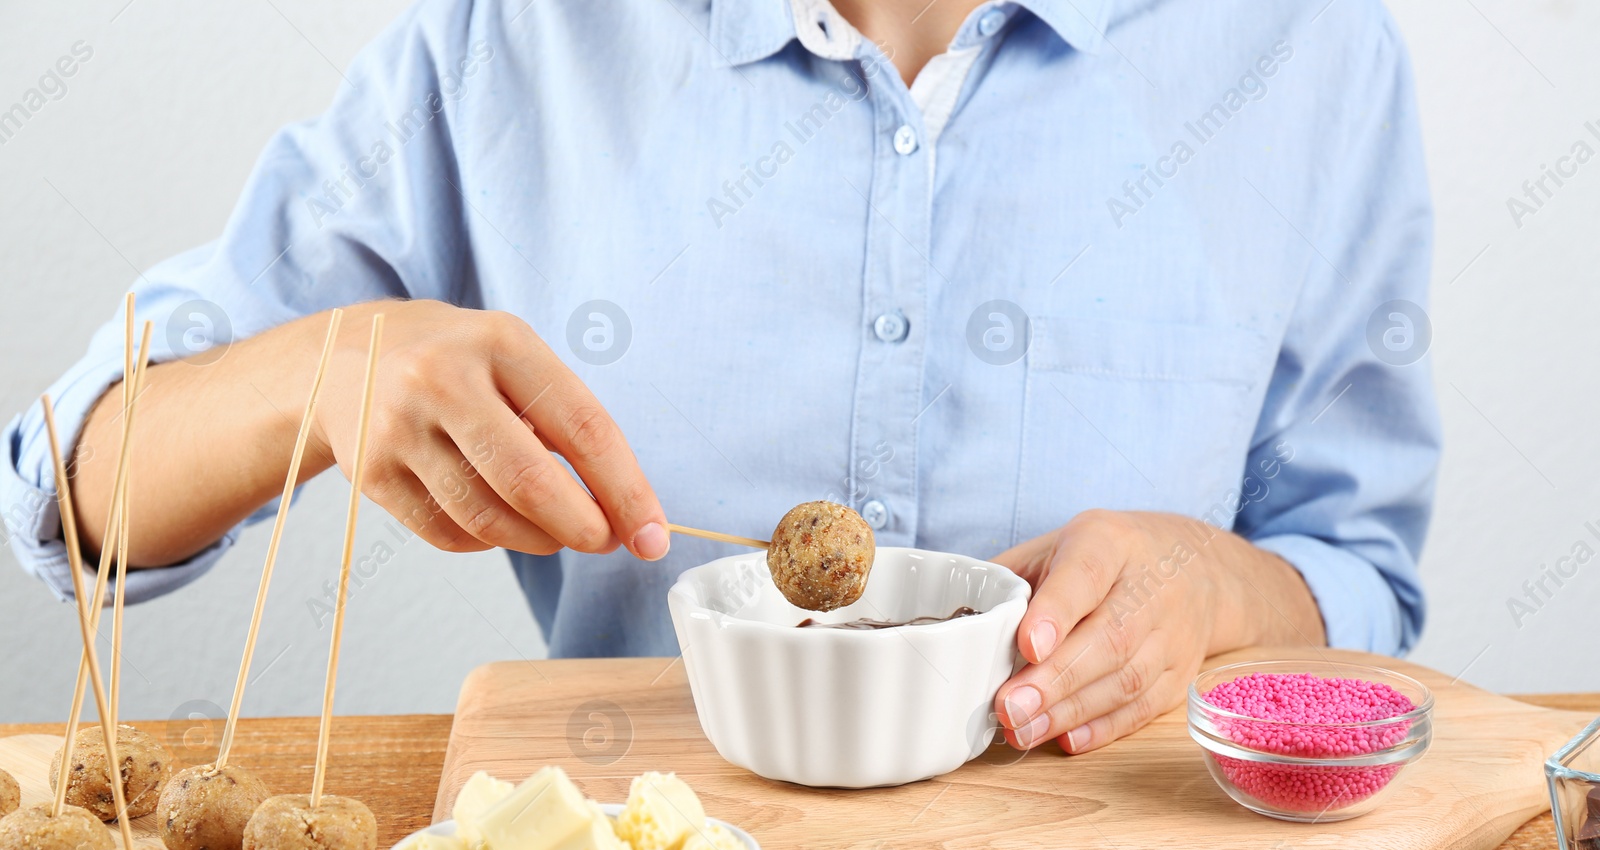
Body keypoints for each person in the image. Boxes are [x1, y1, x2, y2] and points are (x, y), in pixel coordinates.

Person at [1, 0, 1439, 757]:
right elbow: (71, 484)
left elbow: (1361, 576)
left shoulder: (1304, 45)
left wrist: (1223, 589)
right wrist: (322, 373)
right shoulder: (518, 40)